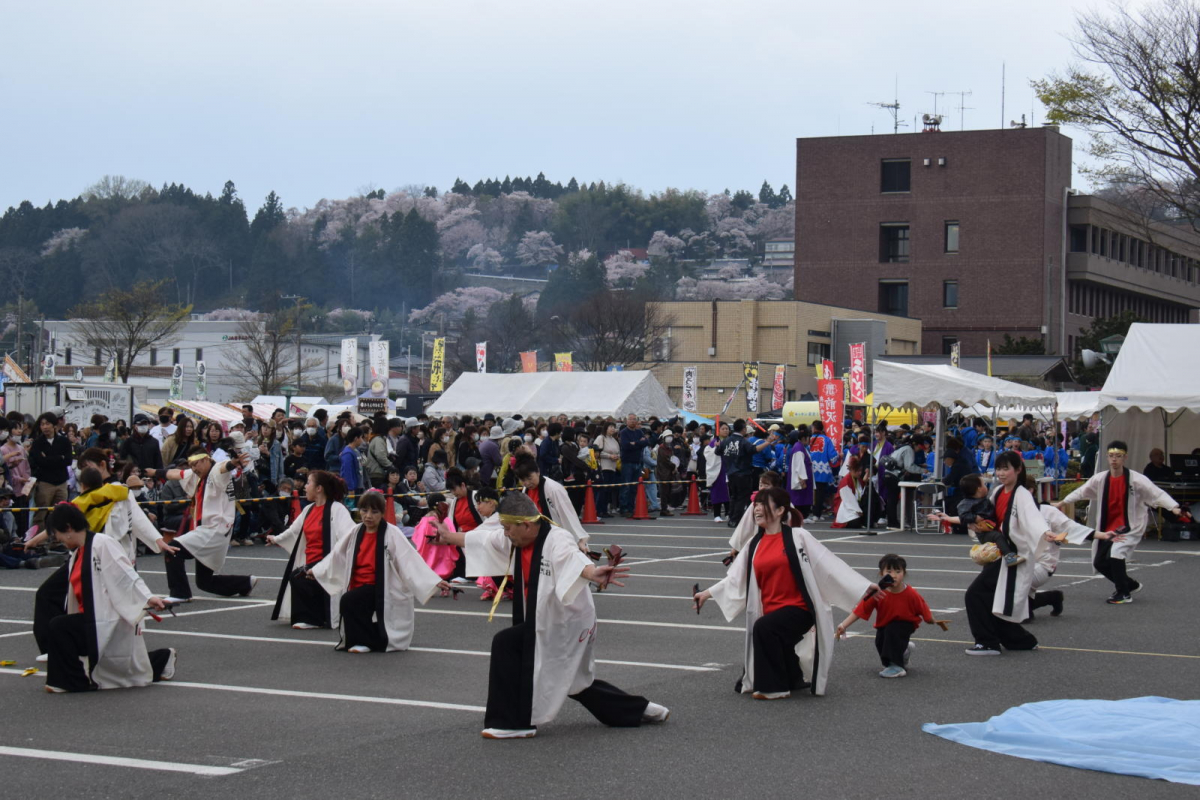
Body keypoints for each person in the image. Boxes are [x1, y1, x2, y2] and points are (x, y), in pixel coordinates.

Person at [435, 492, 668, 738]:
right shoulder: (515, 538)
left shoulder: (557, 539)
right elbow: (483, 540)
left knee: (510, 646)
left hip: (567, 624)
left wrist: (591, 573)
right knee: (573, 683)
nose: (504, 533)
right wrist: (448, 537)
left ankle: (514, 723)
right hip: (543, 621)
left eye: (507, 528)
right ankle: (640, 709)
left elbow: (573, 559)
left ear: (525, 525)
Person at [694, 487, 878, 699]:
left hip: (799, 609)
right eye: (756, 504)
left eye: (764, 504)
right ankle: (792, 677)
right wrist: (705, 594)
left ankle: (775, 688)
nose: (757, 509)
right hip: (772, 610)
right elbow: (735, 579)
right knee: (769, 629)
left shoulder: (798, 536)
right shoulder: (754, 544)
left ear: (781, 510)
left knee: (764, 628)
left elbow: (827, 564)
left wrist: (863, 587)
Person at [41, 503, 177, 693]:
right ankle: (162, 658)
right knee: (120, 667)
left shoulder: (102, 543)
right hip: (93, 615)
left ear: (69, 528)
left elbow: (125, 574)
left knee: (60, 627)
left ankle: (71, 681)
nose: (58, 539)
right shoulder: (78, 552)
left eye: (58, 534)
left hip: (106, 615)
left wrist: (147, 598)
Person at [305, 489, 445, 653]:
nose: (368, 516)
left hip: (382, 586)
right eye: (364, 511)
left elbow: (410, 560)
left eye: (374, 511)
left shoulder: (392, 533)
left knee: (350, 600)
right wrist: (317, 570)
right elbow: (337, 554)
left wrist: (434, 581)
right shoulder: (355, 531)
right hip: (358, 582)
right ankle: (358, 640)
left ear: (383, 513)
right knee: (351, 600)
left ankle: (364, 641)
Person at [1057, 440, 1182, 604]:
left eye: (1118, 456)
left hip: (1129, 525)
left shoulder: (1136, 479)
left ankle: (1124, 594)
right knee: (1100, 562)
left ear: (1125, 458)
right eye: (1111, 456)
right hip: (1107, 527)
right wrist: (1063, 502)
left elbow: (1156, 493)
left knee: (1117, 552)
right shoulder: (1101, 479)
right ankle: (1129, 584)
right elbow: (1082, 491)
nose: (1114, 459)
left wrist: (1173, 506)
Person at [963, 451, 1047, 656]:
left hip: (1012, 557)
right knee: (992, 598)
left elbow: (1035, 520)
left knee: (975, 595)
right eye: (998, 468)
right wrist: (952, 518)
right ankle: (1021, 641)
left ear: (1018, 470)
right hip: (1000, 554)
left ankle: (987, 643)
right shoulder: (998, 492)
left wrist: (1047, 533)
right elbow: (984, 517)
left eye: (1005, 468)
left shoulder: (1022, 495)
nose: (1000, 473)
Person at [161, 449, 257, 603]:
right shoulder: (197, 476)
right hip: (209, 530)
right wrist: (153, 472)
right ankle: (245, 583)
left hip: (213, 529)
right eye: (191, 465)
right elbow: (175, 474)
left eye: (196, 464)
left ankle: (180, 593)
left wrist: (233, 463)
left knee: (172, 549)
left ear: (206, 459)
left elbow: (224, 467)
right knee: (204, 582)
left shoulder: (216, 471)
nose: (194, 468)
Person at [266, 471, 357, 629]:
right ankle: (313, 616)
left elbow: (349, 535)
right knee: (298, 576)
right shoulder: (308, 509)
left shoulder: (337, 509)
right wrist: (275, 539)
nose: (305, 487)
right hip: (311, 562)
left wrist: (331, 562)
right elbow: (293, 531)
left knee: (298, 577)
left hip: (328, 562)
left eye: (308, 483)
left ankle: (313, 619)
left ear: (319, 488)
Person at [835, 554, 936, 678]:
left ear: (904, 573)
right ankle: (904, 651)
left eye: (898, 571)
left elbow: (923, 609)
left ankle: (897, 667)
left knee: (893, 632)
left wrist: (931, 620)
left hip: (905, 623)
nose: (893, 575)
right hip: (885, 623)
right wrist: (843, 625)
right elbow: (861, 610)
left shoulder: (911, 594)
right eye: (889, 571)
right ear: (881, 573)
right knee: (881, 642)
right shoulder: (878, 593)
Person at [932, 473, 1022, 564]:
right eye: (984, 484)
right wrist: (975, 518)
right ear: (979, 489)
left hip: (991, 526)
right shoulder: (966, 503)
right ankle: (1009, 556)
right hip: (984, 533)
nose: (986, 486)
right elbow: (963, 516)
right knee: (997, 536)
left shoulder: (984, 499)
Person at [514, 455, 589, 550]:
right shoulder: (526, 490)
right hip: (538, 538)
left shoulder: (554, 489)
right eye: (523, 480)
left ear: (538, 471)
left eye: (529, 478)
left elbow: (568, 515)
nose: (527, 483)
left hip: (556, 537)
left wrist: (580, 541)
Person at [29, 411, 73, 530]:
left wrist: (48, 459)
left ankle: (57, 541)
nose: (45, 427)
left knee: (60, 514)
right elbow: (38, 461)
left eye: (47, 424)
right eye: (42, 424)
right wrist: (59, 458)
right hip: (45, 482)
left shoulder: (64, 441)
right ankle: (38, 542)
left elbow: (68, 460)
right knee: (41, 513)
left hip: (61, 482)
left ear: (54, 425)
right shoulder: (38, 442)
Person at [882, 435, 928, 530]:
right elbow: (909, 466)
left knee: (891, 500)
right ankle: (893, 523)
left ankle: (891, 522)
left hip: (888, 474)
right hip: (894, 476)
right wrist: (923, 470)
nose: (919, 449)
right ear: (915, 444)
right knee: (893, 501)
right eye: (919, 447)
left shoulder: (902, 447)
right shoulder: (909, 450)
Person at [717, 419, 755, 528]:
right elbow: (753, 450)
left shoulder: (726, 441)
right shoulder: (744, 441)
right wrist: (767, 443)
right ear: (743, 429)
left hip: (730, 473)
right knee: (742, 497)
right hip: (743, 472)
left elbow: (717, 451)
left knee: (734, 496)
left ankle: (731, 517)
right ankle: (735, 520)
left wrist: (718, 445)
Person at [830, 456, 884, 531]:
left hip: (856, 506)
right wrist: (858, 510)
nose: (859, 473)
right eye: (857, 471)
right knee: (855, 522)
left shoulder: (858, 480)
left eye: (860, 471)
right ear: (851, 470)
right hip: (847, 508)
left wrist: (866, 479)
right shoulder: (846, 481)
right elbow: (848, 500)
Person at [808, 420, 841, 520]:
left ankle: (813, 513)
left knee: (812, 491)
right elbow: (832, 456)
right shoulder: (827, 440)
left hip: (810, 468)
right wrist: (839, 456)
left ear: (813, 428)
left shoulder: (808, 439)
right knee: (821, 492)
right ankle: (817, 513)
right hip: (823, 469)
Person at [617, 414, 649, 516]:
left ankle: (631, 507)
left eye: (634, 419)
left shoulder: (639, 431)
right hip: (627, 462)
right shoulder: (623, 432)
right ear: (626, 421)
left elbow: (646, 442)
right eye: (630, 419)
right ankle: (624, 508)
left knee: (634, 487)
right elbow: (626, 446)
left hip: (637, 462)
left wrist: (634, 443)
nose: (632, 421)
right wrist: (638, 443)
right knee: (626, 486)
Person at [593, 421, 620, 519]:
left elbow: (618, 452)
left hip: (612, 467)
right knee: (602, 490)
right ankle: (599, 510)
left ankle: (605, 510)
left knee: (608, 490)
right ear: (606, 428)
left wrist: (617, 456)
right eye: (610, 427)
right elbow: (596, 452)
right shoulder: (601, 438)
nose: (613, 429)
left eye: (614, 427)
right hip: (603, 467)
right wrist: (609, 456)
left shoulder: (614, 440)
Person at [339, 427, 365, 495]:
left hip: (358, 485)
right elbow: (347, 471)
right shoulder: (348, 453)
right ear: (356, 438)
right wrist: (350, 488)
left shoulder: (356, 451)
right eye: (361, 437)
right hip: (352, 488)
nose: (362, 440)